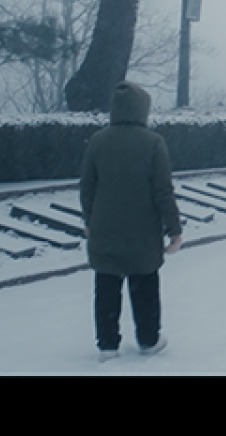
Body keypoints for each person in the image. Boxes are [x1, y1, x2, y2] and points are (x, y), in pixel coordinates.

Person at [80, 81, 184, 360]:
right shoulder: (153, 143)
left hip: (104, 228)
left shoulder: (98, 141)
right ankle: (148, 338)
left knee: (106, 287)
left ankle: (107, 345)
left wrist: (89, 219)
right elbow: (163, 190)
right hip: (143, 231)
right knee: (144, 284)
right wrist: (174, 229)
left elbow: (87, 186)